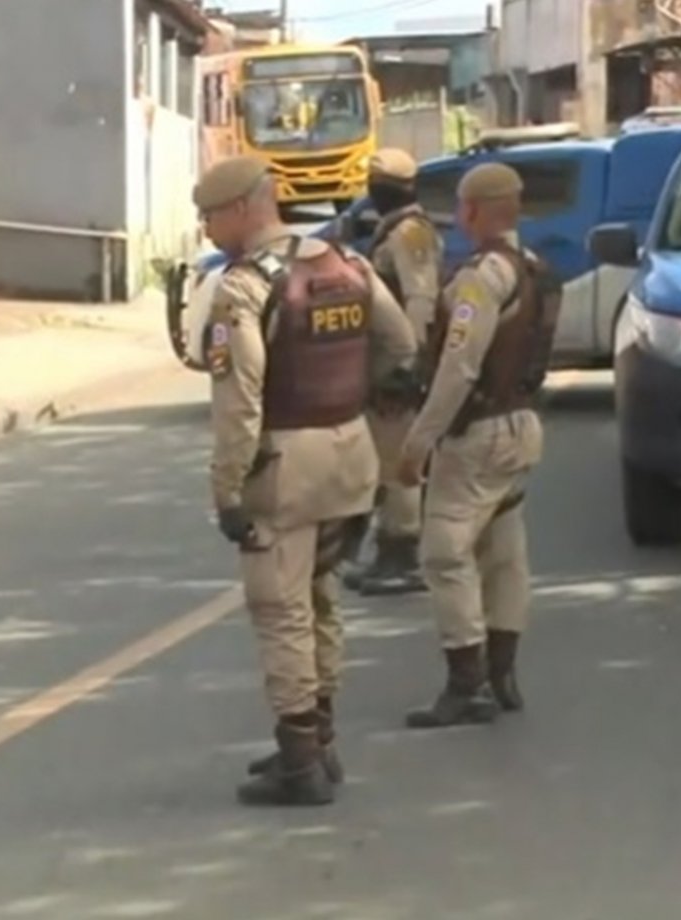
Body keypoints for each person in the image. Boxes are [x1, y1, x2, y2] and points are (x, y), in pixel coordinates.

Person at [195, 154, 418, 805]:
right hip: (350, 454)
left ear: (242, 209)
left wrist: (228, 489)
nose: (207, 229)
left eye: (210, 216)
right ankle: (319, 743)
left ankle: (299, 763)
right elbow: (400, 347)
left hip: (285, 465)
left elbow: (240, 400)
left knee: (280, 608)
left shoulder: (243, 287)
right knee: (320, 599)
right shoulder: (346, 264)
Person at [396, 162, 561, 730]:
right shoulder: (535, 269)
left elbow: (459, 367)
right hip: (522, 425)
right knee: (504, 549)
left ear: (472, 211)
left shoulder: (479, 279)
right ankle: (503, 673)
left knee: (445, 551)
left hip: (480, 431)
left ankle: (467, 683)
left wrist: (420, 440)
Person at [341, 147, 444, 597]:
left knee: (400, 464)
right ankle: (387, 548)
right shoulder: (392, 231)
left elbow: (421, 297)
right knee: (385, 462)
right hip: (383, 364)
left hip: (399, 366)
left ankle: (402, 555)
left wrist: (409, 365)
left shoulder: (410, 234)